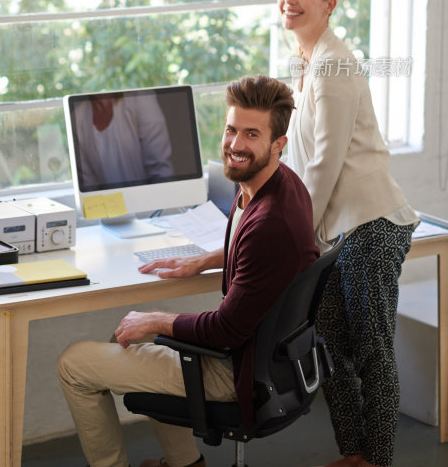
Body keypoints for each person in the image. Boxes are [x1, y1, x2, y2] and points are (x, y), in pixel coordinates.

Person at [57, 75, 319, 467]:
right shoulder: (279, 185)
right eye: (231, 130)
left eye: (252, 134)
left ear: (278, 143)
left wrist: (159, 320)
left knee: (74, 363)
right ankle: (185, 464)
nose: (235, 145)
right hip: (268, 359)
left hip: (236, 372)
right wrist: (206, 259)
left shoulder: (269, 223)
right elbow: (260, 257)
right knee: (124, 333)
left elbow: (225, 329)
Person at [278, 0, 419, 467]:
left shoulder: (333, 66)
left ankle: (375, 460)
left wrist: (300, 237)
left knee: (372, 351)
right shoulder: (308, 63)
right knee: (331, 346)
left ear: (329, 4)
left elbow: (325, 164)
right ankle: (353, 455)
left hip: (371, 224)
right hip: (342, 230)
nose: (289, 0)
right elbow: (300, 163)